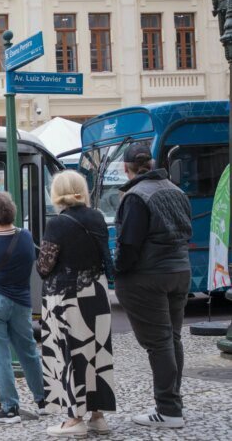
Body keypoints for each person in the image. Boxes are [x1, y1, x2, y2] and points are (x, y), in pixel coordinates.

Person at [114, 144, 192, 429]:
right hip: (180, 271)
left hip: (148, 276)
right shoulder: (175, 190)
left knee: (159, 343)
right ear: (152, 162)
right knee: (172, 339)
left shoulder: (136, 196)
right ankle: (173, 402)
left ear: (126, 168)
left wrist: (118, 271)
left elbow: (129, 245)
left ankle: (168, 409)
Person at [37, 170, 116, 438]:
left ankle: (74, 419)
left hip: (67, 296)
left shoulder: (57, 223)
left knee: (71, 354)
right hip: (97, 291)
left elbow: (44, 266)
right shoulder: (97, 218)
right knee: (97, 352)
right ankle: (98, 416)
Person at [0, 191, 46, 423]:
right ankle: (43, 400)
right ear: (12, 211)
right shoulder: (25, 237)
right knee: (29, 352)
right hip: (21, 302)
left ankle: (10, 408)